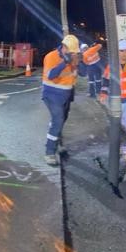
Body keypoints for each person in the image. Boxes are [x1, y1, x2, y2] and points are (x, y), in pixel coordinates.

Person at [41, 34, 81, 166]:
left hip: (66, 95)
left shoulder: (73, 58)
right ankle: (50, 152)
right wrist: (64, 62)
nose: (73, 54)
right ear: (64, 47)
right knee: (58, 120)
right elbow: (51, 75)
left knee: (61, 120)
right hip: (51, 95)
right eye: (72, 52)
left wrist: (79, 62)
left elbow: (79, 74)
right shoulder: (51, 56)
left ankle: (55, 140)